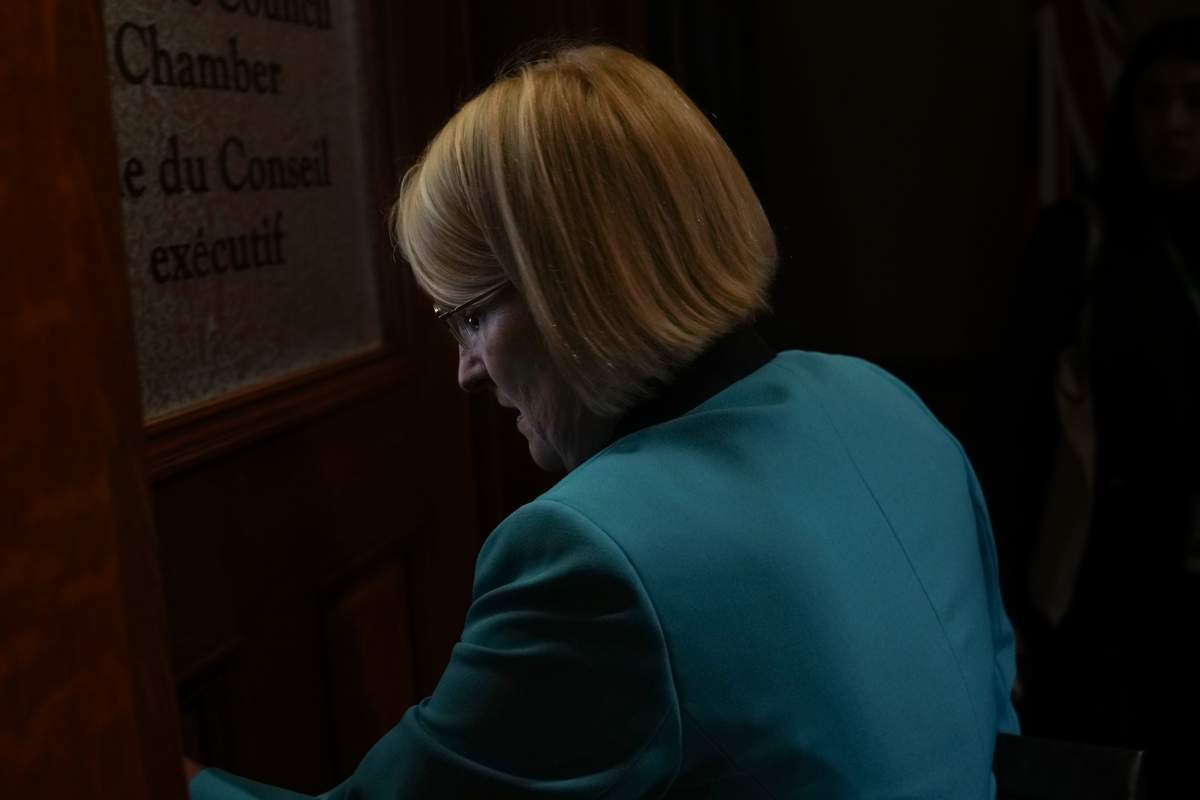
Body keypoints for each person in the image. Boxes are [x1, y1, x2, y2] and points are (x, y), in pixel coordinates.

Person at [187, 44, 1018, 799]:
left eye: (468, 316)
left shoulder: (595, 557)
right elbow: (998, 705)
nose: (467, 369)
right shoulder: (884, 400)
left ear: (570, 281)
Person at [992, 16, 1200, 790]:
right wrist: (1011, 608)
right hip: (1098, 604)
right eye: (1153, 103)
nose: (1173, 126)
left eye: (1192, 102)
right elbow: (1014, 433)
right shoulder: (1082, 238)